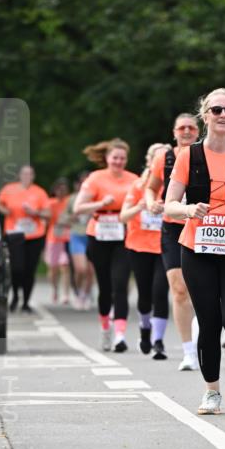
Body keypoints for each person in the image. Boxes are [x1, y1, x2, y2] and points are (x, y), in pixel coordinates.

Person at [164, 88, 225, 415]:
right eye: (217, 110)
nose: (223, 115)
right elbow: (169, 204)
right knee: (208, 321)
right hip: (197, 247)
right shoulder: (188, 156)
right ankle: (211, 392)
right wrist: (189, 209)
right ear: (205, 115)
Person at [145, 113, 200, 371]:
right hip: (172, 227)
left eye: (191, 127)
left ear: (198, 132)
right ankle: (188, 351)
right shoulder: (164, 158)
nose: (187, 131)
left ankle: (204, 335)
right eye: (182, 128)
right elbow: (150, 187)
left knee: (202, 287)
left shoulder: (206, 154)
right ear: (174, 132)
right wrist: (151, 202)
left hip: (203, 226)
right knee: (178, 289)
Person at [73, 139, 138, 351]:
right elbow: (78, 208)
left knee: (120, 284)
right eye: (114, 158)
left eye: (122, 158)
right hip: (98, 235)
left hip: (123, 235)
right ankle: (105, 328)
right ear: (107, 159)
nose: (118, 161)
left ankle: (120, 335)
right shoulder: (96, 178)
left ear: (126, 160)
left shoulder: (134, 179)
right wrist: (100, 203)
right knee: (105, 286)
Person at [120, 143, 170, 359]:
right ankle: (145, 327)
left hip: (165, 244)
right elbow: (123, 216)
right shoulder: (138, 185)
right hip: (139, 245)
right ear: (149, 161)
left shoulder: (174, 184)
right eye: (155, 157)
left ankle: (158, 340)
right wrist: (140, 207)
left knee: (160, 291)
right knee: (145, 293)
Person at [0, 164, 51, 313]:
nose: (27, 176)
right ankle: (14, 297)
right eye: (24, 174)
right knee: (16, 268)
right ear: (20, 175)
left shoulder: (39, 192)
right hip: (15, 234)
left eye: (30, 174)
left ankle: (26, 302)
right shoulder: (9, 189)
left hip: (34, 235)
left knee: (29, 269)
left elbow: (48, 214)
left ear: (33, 176)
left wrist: (35, 212)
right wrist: (6, 211)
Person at [62, 172, 95, 309]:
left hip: (92, 235)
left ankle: (85, 294)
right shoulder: (73, 199)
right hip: (77, 235)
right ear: (78, 184)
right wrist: (72, 218)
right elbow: (64, 218)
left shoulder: (95, 197)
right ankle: (78, 292)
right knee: (80, 269)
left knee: (90, 271)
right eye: (82, 182)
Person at [45, 178, 71, 305]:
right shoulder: (50, 203)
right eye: (59, 189)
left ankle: (65, 294)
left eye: (64, 189)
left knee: (65, 266)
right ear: (55, 191)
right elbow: (45, 217)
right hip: (53, 238)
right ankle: (55, 289)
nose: (61, 192)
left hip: (66, 237)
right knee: (53, 268)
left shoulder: (69, 202)